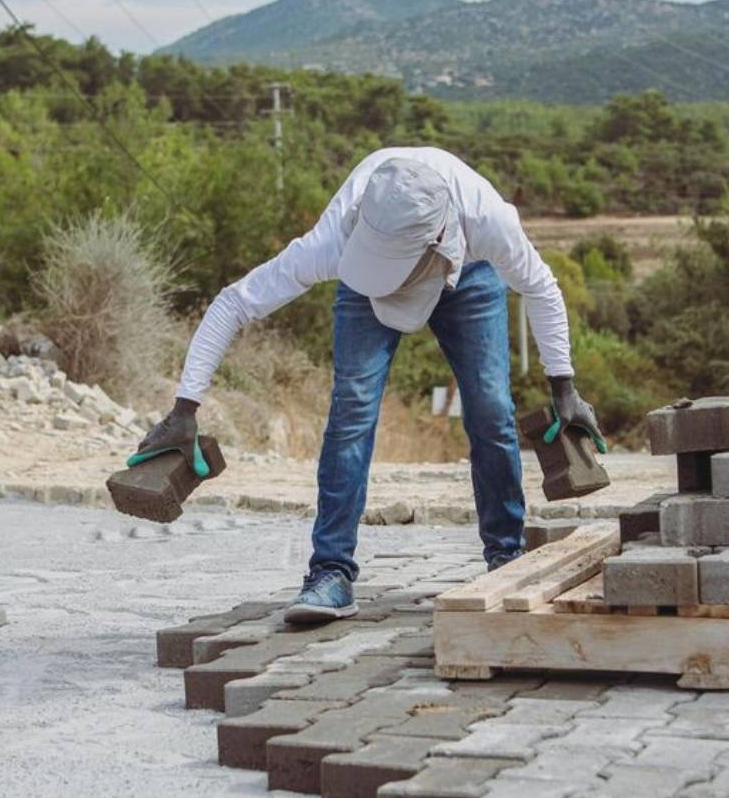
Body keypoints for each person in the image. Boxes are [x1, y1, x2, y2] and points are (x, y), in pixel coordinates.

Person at [135, 147, 605, 621]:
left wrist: (563, 387)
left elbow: (541, 288)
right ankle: (330, 572)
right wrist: (185, 408)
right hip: (366, 275)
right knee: (351, 410)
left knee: (490, 408)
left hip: (467, 275)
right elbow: (234, 303)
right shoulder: (337, 239)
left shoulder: (487, 221)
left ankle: (504, 556)